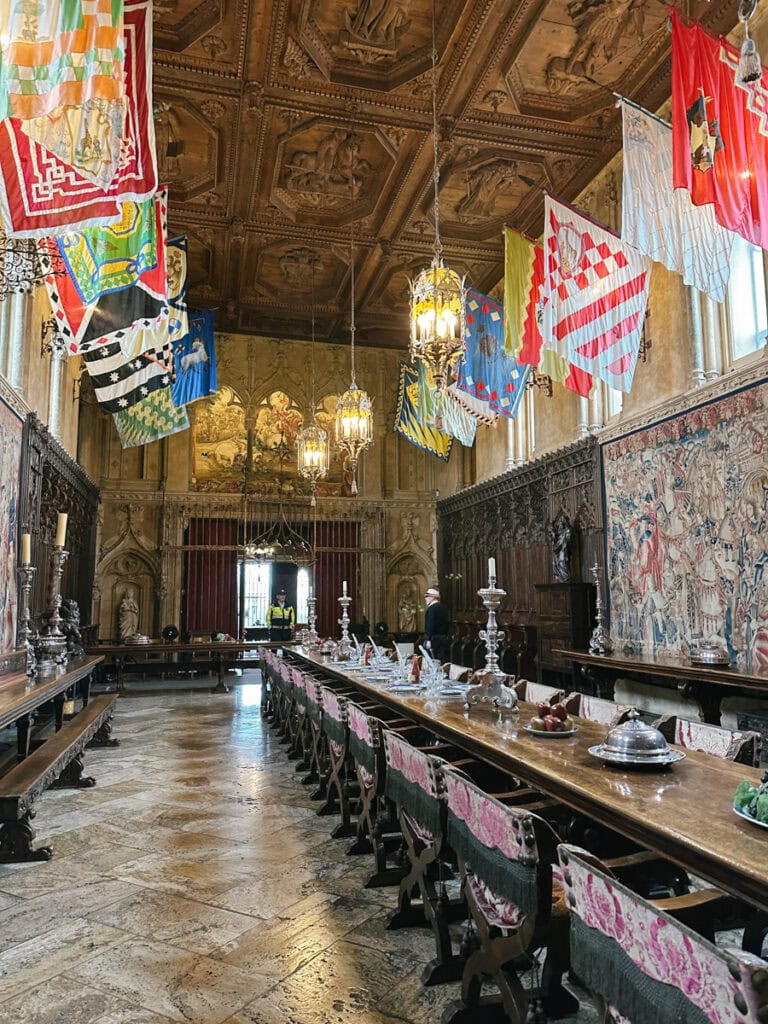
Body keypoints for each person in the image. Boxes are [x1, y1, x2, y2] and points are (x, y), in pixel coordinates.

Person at [423, 587, 449, 664]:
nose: (425, 598)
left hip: (433, 639)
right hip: (443, 638)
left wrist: (428, 640)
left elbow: (430, 625)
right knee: (440, 661)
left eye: (427, 596)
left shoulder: (432, 609)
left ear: (433, 597)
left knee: (432, 662)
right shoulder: (443, 607)